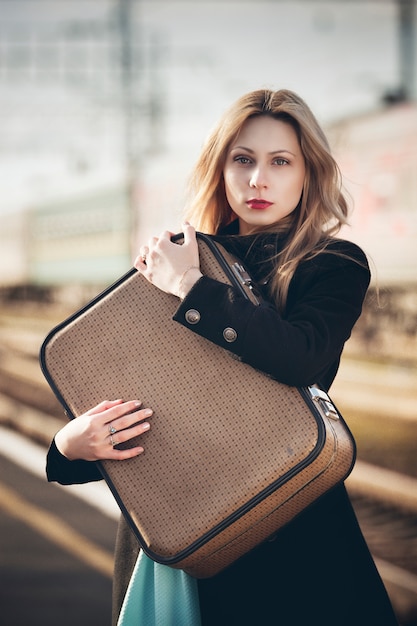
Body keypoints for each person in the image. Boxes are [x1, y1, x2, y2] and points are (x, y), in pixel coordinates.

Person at [46, 88, 398, 625]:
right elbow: (153, 403)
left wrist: (189, 285)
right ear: (221, 168)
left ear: (309, 173)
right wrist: (69, 446)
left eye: (281, 161)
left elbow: (301, 359)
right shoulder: (176, 254)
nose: (259, 179)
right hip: (169, 536)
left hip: (282, 531)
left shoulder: (331, 265)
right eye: (243, 159)